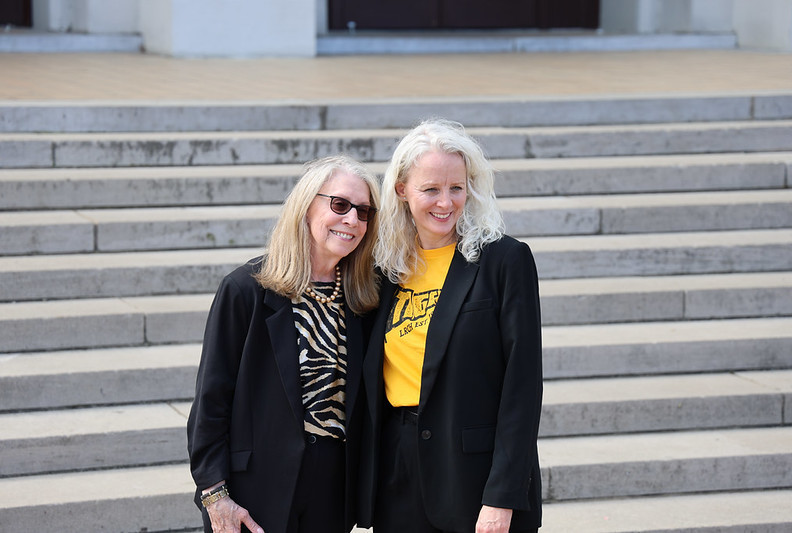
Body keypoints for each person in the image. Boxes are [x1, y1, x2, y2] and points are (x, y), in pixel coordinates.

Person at [357, 118, 543, 533]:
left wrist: (502, 497)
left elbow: (522, 386)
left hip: (475, 479)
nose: (446, 202)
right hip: (399, 476)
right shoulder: (385, 269)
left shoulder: (504, 262)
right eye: (431, 189)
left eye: (456, 187)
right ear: (402, 191)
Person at [187, 154, 381, 533]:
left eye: (364, 212)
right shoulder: (245, 289)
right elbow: (211, 400)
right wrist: (215, 495)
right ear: (306, 205)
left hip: (332, 490)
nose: (352, 220)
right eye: (340, 205)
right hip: (254, 490)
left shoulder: (365, 298)